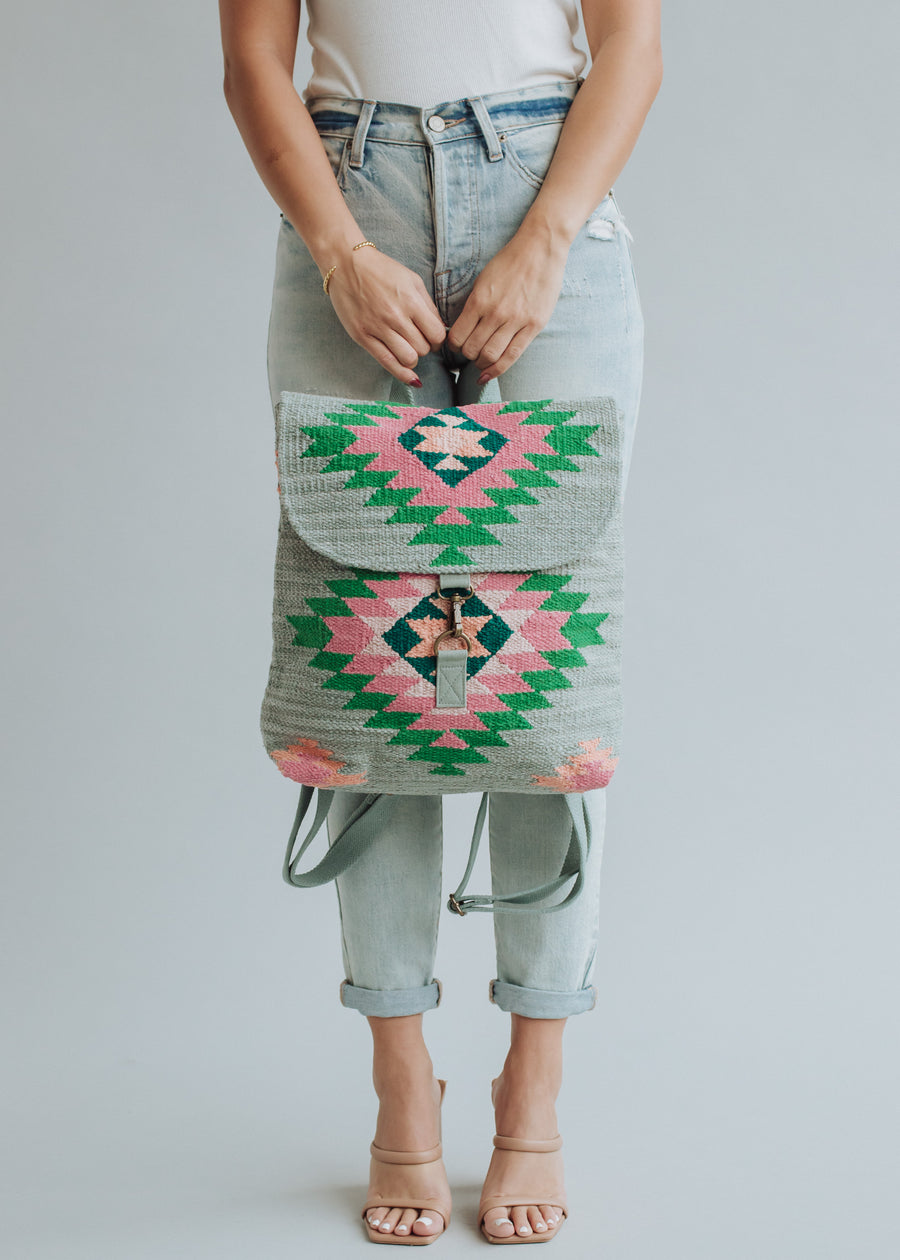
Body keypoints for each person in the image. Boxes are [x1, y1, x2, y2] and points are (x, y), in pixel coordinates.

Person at [220, 0, 662, 1245]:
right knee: (375, 680)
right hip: (344, 204)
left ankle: (537, 1078)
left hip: (551, 194)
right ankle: (400, 1079)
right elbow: (254, 55)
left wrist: (550, 235)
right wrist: (339, 251)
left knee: (541, 684)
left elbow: (632, 37)